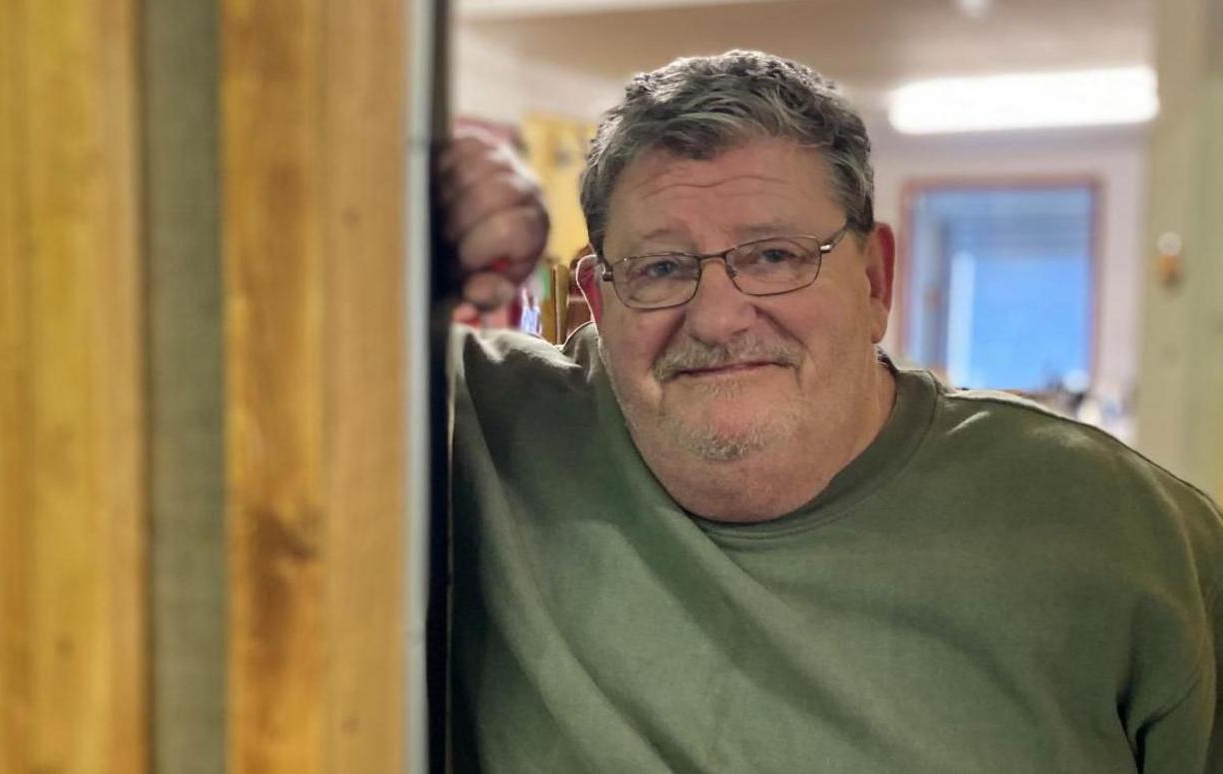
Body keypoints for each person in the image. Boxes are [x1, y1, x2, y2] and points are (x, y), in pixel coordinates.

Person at [438, 50, 1223, 773]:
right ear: (598, 298)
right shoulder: (487, 430)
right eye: (663, 267)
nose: (718, 317)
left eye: (774, 256)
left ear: (875, 279)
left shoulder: (1129, 537)